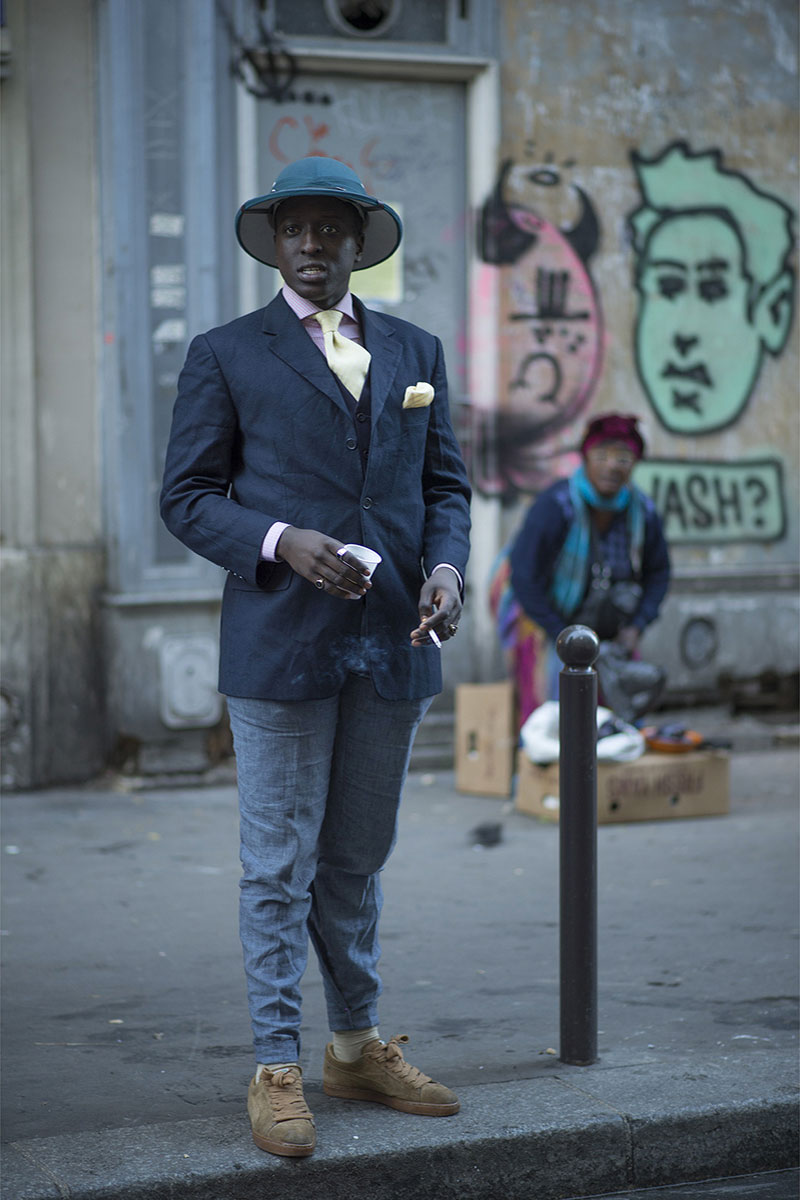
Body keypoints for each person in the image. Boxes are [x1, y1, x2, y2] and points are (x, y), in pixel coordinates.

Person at [160, 157, 471, 1158]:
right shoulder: (225, 354)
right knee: (278, 866)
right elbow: (186, 497)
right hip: (281, 643)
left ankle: (354, 1047)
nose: (311, 245)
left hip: (395, 641)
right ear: (273, 242)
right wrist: (278, 540)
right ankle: (274, 1065)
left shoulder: (415, 348)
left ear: (356, 243)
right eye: (294, 228)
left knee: (355, 861)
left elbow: (445, 489)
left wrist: (447, 570)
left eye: (329, 229)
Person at [490, 413, 669, 727]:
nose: (612, 466)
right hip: (545, 616)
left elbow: (659, 573)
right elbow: (525, 578)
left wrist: (636, 626)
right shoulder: (556, 506)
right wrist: (563, 636)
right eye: (602, 456)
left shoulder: (643, 512)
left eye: (623, 458)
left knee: (616, 708)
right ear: (585, 458)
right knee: (551, 709)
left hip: (607, 623)